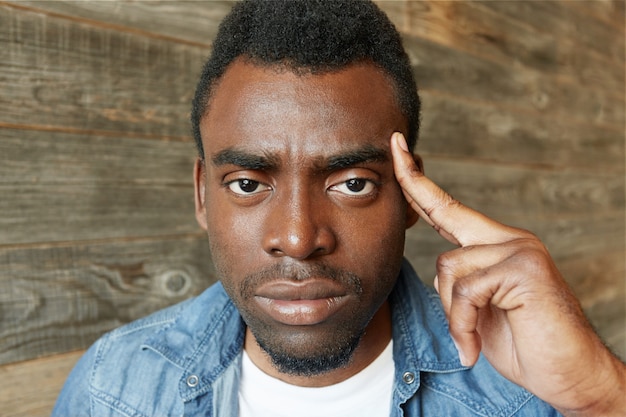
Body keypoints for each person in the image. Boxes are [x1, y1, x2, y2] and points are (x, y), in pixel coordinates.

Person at [53, 1, 625, 416]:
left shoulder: (530, 396)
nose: (299, 239)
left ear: (409, 194)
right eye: (249, 184)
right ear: (203, 194)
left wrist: (601, 396)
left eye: (352, 183)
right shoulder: (112, 389)